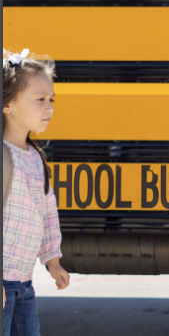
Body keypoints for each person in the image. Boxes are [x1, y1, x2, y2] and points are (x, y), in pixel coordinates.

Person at [3, 49, 70, 336]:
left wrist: (52, 261)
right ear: (7, 104)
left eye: (51, 99)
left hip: (24, 284)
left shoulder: (34, 157)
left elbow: (46, 213)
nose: (49, 107)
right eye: (40, 99)